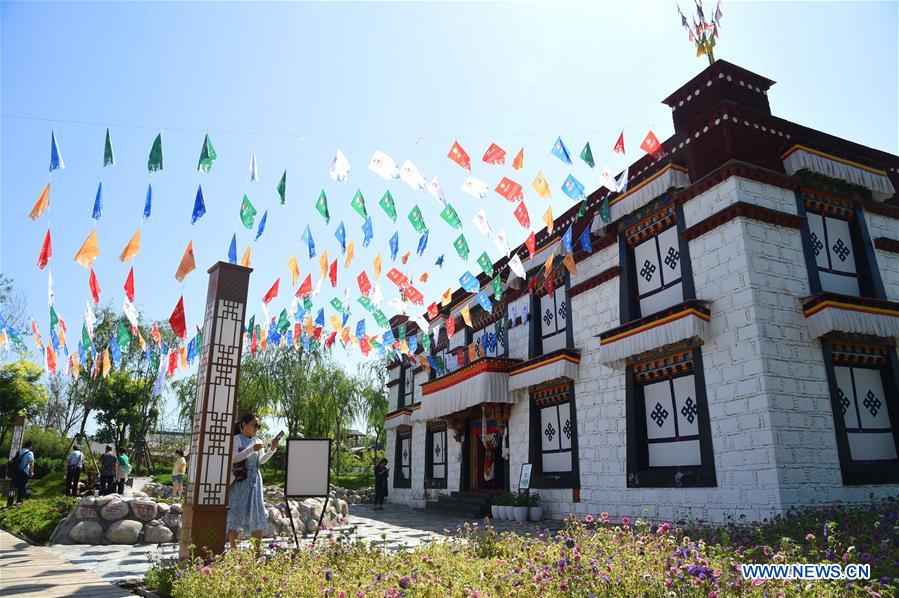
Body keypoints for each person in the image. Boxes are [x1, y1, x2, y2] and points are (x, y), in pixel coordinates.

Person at [227, 412, 278, 550]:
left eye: (258, 425)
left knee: (257, 514)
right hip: (239, 480)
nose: (257, 428)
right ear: (244, 424)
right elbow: (233, 459)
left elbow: (261, 460)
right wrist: (251, 450)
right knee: (236, 515)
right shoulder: (235, 440)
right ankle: (233, 552)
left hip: (255, 481)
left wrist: (272, 449)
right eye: (254, 424)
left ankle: (256, 552)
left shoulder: (258, 441)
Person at [12, 440, 35, 505]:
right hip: (24, 472)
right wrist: (31, 472)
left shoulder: (20, 451)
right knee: (22, 486)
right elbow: (31, 464)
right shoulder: (30, 453)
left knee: (17, 486)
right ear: (30, 446)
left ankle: (11, 500)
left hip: (16, 471)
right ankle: (19, 501)